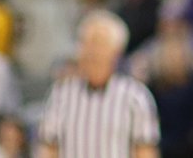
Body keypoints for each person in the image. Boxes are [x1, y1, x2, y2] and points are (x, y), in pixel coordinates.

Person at [37, 11, 159, 158]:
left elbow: (146, 152)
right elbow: (48, 148)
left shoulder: (135, 96)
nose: (91, 51)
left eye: (98, 43)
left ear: (116, 51)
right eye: (85, 42)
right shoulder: (61, 94)